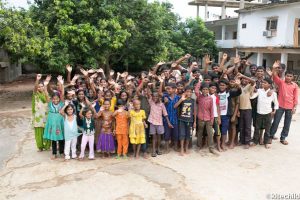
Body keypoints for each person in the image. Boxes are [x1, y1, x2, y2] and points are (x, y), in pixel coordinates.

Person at [270, 61, 298, 145]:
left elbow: (295, 97)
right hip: (280, 106)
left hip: (290, 107)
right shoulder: (281, 83)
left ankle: (283, 138)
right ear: (285, 76)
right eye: (287, 76)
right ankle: (271, 136)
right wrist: (274, 68)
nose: (288, 77)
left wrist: (295, 107)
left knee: (287, 123)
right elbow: (274, 76)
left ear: (293, 77)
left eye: (290, 76)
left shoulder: (295, 85)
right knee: (276, 122)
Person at [250, 78, 278, 149]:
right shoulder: (259, 91)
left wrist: (274, 111)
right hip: (259, 113)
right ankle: (255, 141)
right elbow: (252, 96)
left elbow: (276, 103)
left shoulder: (273, 93)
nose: (263, 84)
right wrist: (253, 88)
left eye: (265, 83)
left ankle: (266, 142)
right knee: (257, 128)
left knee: (267, 129)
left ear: (269, 85)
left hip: (268, 113)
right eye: (262, 83)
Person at [43, 75, 65, 159]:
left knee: (61, 138)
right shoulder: (50, 103)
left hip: (60, 122)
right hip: (52, 122)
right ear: (52, 99)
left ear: (59, 99)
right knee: (53, 138)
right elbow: (46, 94)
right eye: (54, 99)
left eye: (57, 99)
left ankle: (62, 152)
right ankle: (54, 153)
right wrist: (45, 85)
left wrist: (61, 83)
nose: (55, 100)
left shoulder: (61, 103)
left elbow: (62, 94)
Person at [147, 91, 171, 157]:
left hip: (159, 122)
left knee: (159, 137)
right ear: (152, 97)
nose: (155, 97)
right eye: (154, 96)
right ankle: (153, 150)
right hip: (152, 122)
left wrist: (168, 122)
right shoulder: (151, 102)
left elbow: (165, 114)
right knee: (154, 137)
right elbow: (148, 94)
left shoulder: (162, 104)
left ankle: (158, 148)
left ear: (159, 97)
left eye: (156, 96)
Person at [194, 81, 216, 154]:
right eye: (203, 89)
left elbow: (212, 109)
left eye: (206, 89)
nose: (205, 91)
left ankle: (211, 147)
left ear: (208, 90)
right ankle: (199, 146)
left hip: (208, 118)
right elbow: (196, 90)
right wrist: (200, 82)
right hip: (200, 118)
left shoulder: (210, 98)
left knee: (210, 133)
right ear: (201, 90)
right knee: (200, 133)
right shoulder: (199, 97)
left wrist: (212, 119)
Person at [174, 86, 196, 156]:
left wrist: (195, 122)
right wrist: (181, 99)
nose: (189, 93)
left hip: (190, 120)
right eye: (187, 91)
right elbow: (175, 106)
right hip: (182, 120)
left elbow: (194, 112)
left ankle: (186, 148)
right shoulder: (182, 99)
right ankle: (182, 149)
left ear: (192, 93)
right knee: (182, 135)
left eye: (190, 92)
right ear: (185, 92)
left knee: (188, 135)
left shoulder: (193, 100)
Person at [32, 74, 51, 151]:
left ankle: (47, 146)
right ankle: (40, 147)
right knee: (39, 132)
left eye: (42, 86)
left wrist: (46, 85)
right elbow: (35, 88)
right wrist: (37, 79)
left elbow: (48, 100)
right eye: (39, 86)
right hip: (38, 116)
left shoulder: (46, 94)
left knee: (47, 130)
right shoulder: (36, 94)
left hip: (46, 115)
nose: (40, 88)